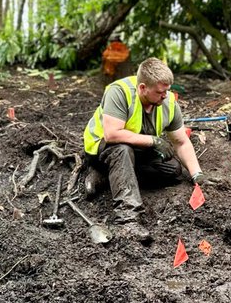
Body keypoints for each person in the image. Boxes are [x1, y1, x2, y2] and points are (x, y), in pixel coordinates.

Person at [82, 57, 203, 235]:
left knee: (173, 170)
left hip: (136, 152)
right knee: (122, 150)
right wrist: (154, 141)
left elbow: (180, 141)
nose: (165, 96)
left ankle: (110, 178)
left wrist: (197, 174)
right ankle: (127, 219)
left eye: (167, 91)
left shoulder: (167, 102)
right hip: (103, 150)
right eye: (160, 92)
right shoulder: (119, 93)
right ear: (142, 88)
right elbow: (112, 134)